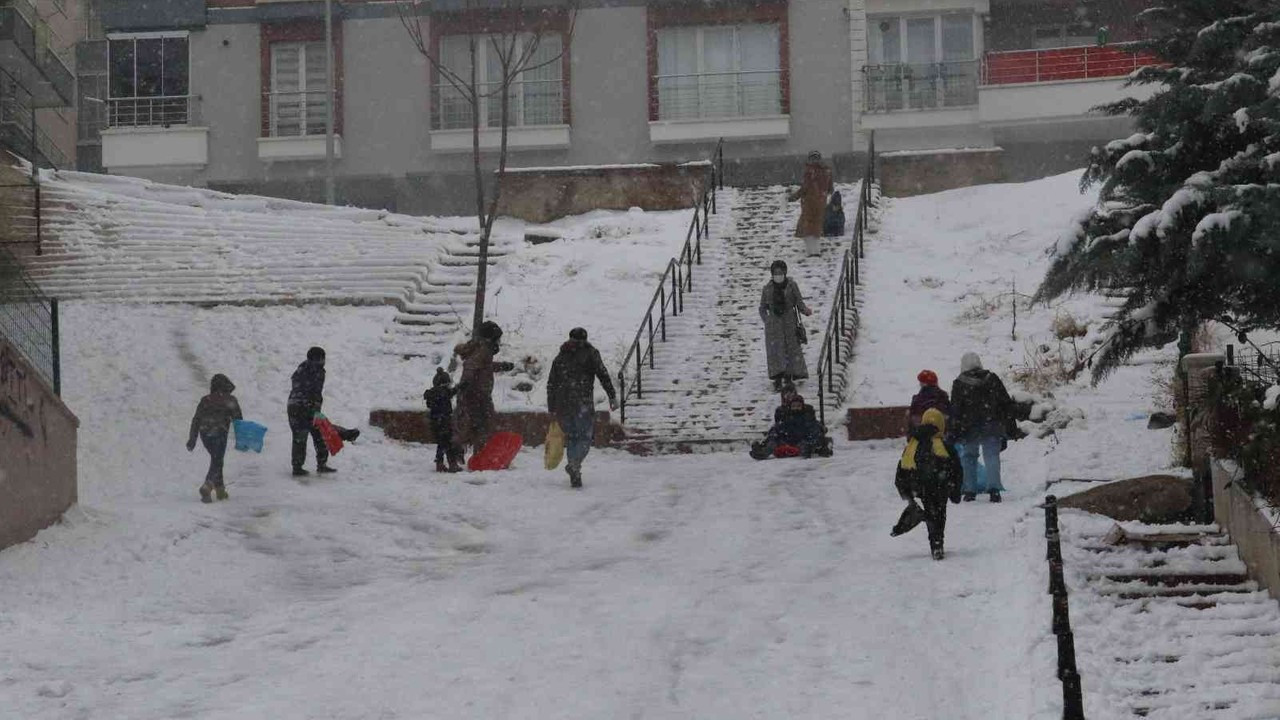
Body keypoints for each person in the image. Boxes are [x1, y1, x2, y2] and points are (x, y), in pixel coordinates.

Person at [547, 327, 618, 489]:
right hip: (582, 403)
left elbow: (551, 384)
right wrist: (612, 395)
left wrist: (552, 407)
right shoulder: (590, 353)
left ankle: (574, 465)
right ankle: (575, 464)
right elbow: (603, 374)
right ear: (585, 339)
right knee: (585, 437)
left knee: (572, 437)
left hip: (563, 405)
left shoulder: (561, 356)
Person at [892, 408, 963, 560]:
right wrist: (955, 490)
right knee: (939, 514)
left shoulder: (913, 445)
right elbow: (956, 468)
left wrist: (905, 490)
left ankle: (935, 542)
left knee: (930, 513)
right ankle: (938, 543)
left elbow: (902, 467)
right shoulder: (944, 446)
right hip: (940, 486)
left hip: (919, 487)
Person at [950, 352, 1015, 502]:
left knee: (969, 457)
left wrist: (954, 429)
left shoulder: (959, 383)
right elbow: (1005, 403)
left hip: (968, 426)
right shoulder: (992, 379)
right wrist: (1008, 424)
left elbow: (955, 410)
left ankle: (969, 490)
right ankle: (994, 490)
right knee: (992, 456)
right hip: (991, 424)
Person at [453, 320, 516, 457]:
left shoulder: (480, 348)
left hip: (475, 393)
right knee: (483, 425)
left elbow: (484, 366)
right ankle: (478, 455)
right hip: (477, 394)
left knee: (470, 425)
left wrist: (502, 366)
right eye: (498, 338)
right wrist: (466, 384)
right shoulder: (484, 349)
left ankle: (465, 453)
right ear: (491, 337)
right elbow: (471, 365)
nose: (499, 341)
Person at [187, 373, 243, 503]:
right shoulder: (230, 400)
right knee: (217, 460)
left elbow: (196, 420)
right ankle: (208, 485)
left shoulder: (205, 400)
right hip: (219, 432)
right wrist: (242, 439)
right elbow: (238, 421)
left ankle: (220, 490)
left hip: (205, 433)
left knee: (217, 459)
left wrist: (193, 439)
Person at [760, 260, 813, 391]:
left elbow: (799, 302)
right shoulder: (767, 288)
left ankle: (789, 376)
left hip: (789, 322)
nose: (778, 275)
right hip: (774, 325)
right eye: (776, 273)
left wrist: (805, 310)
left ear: (785, 272)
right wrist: (767, 320)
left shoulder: (792, 285)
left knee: (791, 348)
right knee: (776, 351)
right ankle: (777, 377)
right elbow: (762, 307)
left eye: (780, 272)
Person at [288, 346, 333, 477]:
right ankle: (297, 467)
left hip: (310, 407)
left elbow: (316, 393)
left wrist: (315, 408)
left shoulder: (317, 371)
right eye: (321, 359)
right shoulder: (306, 370)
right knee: (300, 437)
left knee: (320, 434)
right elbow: (301, 390)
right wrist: (308, 406)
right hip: (298, 408)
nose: (323, 361)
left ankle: (321, 464)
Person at [750, 393, 831, 459]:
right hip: (786, 441)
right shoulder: (786, 418)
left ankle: (807, 451)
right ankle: (762, 453)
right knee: (772, 443)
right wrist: (773, 438)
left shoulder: (808, 418)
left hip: (802, 440)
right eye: (794, 406)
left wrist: (811, 441)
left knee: (806, 445)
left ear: (802, 406)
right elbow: (776, 429)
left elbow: (814, 431)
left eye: (798, 406)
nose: (796, 408)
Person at [788, 150, 834, 256]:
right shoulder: (827, 171)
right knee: (817, 226)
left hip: (809, 202)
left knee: (807, 227)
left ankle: (810, 251)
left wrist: (794, 197)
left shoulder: (810, 171)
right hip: (821, 202)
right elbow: (830, 189)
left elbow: (805, 187)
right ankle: (816, 251)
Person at [423, 367, 463, 473]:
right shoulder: (443, 392)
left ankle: (440, 464)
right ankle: (451, 464)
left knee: (442, 444)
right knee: (448, 443)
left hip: (435, 422)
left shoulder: (433, 393)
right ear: (444, 383)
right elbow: (450, 393)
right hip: (444, 421)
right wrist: (460, 387)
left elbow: (449, 393)